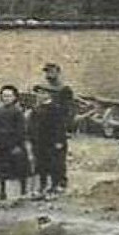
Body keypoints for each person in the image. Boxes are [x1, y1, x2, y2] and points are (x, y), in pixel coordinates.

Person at [31, 62, 75, 195]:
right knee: (43, 159)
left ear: (57, 73)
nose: (49, 75)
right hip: (44, 129)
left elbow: (69, 111)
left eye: (51, 72)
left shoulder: (64, 89)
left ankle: (60, 183)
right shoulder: (44, 89)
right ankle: (44, 185)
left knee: (57, 160)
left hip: (57, 127)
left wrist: (67, 129)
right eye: (47, 72)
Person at [0, 85, 31, 201]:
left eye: (9, 96)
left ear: (14, 97)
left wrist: (17, 145)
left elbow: (21, 130)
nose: (6, 98)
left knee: (20, 168)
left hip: (14, 144)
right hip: (1, 144)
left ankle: (23, 191)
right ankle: (2, 192)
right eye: (4, 96)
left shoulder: (17, 112)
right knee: (1, 170)